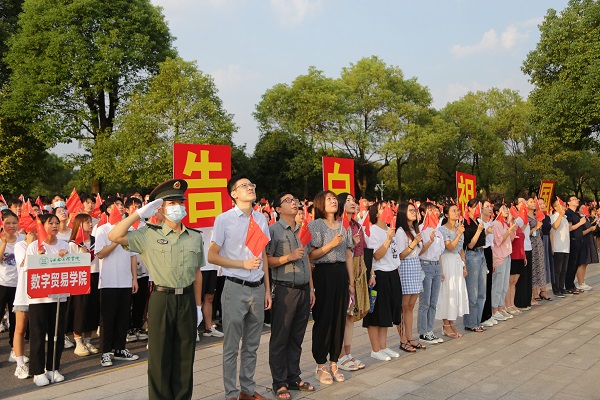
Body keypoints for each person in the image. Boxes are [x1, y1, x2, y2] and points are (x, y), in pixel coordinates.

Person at [109, 179, 205, 400]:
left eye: (180, 202)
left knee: (184, 357)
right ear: (160, 209)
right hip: (162, 299)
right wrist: (138, 214)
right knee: (160, 358)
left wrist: (198, 306)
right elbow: (114, 236)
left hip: (188, 299)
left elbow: (198, 272)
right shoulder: (148, 234)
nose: (177, 207)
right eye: (171, 203)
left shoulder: (194, 236)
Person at [207, 175, 272, 400]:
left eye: (251, 185)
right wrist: (241, 264)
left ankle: (247, 389)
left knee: (252, 345)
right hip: (235, 287)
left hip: (257, 288)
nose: (250, 188)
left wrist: (267, 289)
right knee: (231, 346)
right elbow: (212, 256)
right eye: (244, 186)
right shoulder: (224, 219)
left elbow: (263, 253)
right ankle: (231, 393)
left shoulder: (261, 218)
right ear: (233, 194)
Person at [266, 193, 315, 399]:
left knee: (297, 337)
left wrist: (312, 288)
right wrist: (288, 257)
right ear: (277, 209)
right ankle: (279, 382)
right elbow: (266, 260)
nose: (294, 203)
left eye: (295, 200)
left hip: (304, 289)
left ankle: (293, 377)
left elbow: (308, 261)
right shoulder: (273, 231)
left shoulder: (303, 229)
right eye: (288, 201)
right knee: (280, 338)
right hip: (284, 290)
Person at [308, 190, 354, 385]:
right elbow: (310, 255)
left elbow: (349, 254)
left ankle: (334, 361)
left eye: (335, 199)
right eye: (329, 199)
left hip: (341, 274)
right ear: (320, 203)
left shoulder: (344, 226)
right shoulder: (315, 225)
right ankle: (321, 364)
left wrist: (351, 282)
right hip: (323, 274)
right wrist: (330, 245)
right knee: (324, 319)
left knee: (339, 319)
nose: (334, 201)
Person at [26, 213, 70, 386]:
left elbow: (73, 266)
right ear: (42, 226)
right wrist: (40, 257)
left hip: (59, 297)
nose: (54, 225)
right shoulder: (35, 246)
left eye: (56, 223)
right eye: (50, 223)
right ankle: (37, 371)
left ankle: (53, 368)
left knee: (57, 334)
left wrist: (66, 257)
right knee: (37, 335)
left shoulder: (64, 244)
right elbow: (28, 270)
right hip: (39, 299)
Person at [95, 198, 139, 367]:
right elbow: (100, 254)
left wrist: (134, 278)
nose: (120, 208)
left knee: (123, 317)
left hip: (125, 280)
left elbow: (133, 256)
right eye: (117, 205)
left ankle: (120, 348)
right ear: (108, 209)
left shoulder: (129, 230)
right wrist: (116, 240)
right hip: (108, 282)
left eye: (122, 205)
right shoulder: (102, 230)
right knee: (107, 318)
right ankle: (105, 352)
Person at [363, 202, 402, 360]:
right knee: (376, 313)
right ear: (376, 213)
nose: (387, 211)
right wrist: (387, 239)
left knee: (387, 312)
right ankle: (375, 348)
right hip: (379, 274)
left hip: (392, 273)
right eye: (382, 208)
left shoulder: (389, 229)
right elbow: (377, 256)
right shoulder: (372, 230)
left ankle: (384, 346)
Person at [337, 192, 369, 371]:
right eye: (347, 200)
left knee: (350, 316)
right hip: (345, 272)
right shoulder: (341, 226)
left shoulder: (356, 224)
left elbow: (362, 250)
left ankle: (348, 353)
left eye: (353, 200)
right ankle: (339, 355)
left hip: (358, 269)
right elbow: (345, 252)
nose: (352, 203)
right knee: (343, 315)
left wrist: (368, 272)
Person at [67, 213, 100, 357]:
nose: (90, 224)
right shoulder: (73, 244)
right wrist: (81, 255)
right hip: (80, 278)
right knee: (81, 309)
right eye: (87, 222)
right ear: (79, 225)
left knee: (93, 308)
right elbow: (70, 264)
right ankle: (78, 341)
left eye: (91, 222)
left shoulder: (96, 240)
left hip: (95, 276)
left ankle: (88, 339)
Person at [395, 202, 425, 351]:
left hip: (415, 266)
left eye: (415, 210)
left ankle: (410, 336)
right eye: (411, 210)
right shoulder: (401, 231)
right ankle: (402, 339)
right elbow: (400, 255)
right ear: (403, 213)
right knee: (404, 306)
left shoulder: (414, 229)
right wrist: (414, 243)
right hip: (406, 267)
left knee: (411, 306)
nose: (414, 212)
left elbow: (418, 251)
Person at [436, 203, 468, 338]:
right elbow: (449, 247)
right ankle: (446, 325)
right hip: (446, 261)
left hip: (456, 262)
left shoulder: (459, 228)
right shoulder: (442, 230)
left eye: (458, 210)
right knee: (447, 292)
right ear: (447, 214)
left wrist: (464, 265)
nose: (457, 212)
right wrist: (459, 233)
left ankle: (452, 322)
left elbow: (460, 248)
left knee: (456, 291)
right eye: (453, 211)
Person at [417, 202, 445, 344]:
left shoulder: (438, 230)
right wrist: (430, 241)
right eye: (429, 210)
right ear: (423, 213)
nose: (433, 212)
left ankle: (430, 329)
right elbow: (419, 251)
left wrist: (441, 269)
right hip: (425, 266)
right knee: (425, 302)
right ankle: (423, 332)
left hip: (436, 266)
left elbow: (439, 252)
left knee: (433, 302)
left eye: (434, 210)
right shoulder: (421, 229)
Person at [12, 228, 35, 379]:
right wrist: (30, 244)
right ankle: (20, 364)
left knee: (38, 330)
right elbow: (25, 264)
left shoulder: (46, 245)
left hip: (41, 296)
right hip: (24, 294)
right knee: (20, 328)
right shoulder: (20, 245)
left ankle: (38, 363)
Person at [462, 198, 487, 332]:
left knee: (482, 292)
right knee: (473, 292)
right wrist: (478, 231)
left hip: (481, 254)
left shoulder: (478, 221)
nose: (479, 209)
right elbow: (470, 244)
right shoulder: (466, 222)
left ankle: (478, 320)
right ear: (470, 208)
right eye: (477, 207)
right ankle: (471, 322)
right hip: (472, 256)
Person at [491, 203, 517, 320]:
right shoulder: (496, 224)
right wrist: (508, 231)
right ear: (497, 212)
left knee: (504, 284)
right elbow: (498, 241)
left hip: (507, 255)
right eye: (503, 209)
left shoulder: (504, 223)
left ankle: (501, 308)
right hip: (499, 257)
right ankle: (495, 309)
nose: (506, 210)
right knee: (498, 284)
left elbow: (511, 238)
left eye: (507, 208)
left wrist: (511, 225)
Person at [0, 211, 20, 362]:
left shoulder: (23, 239)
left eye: (14, 223)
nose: (11, 226)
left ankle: (14, 349)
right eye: (8, 223)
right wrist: (4, 243)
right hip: (2, 284)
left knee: (15, 319)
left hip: (18, 286)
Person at [565, 196, 586, 295]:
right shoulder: (568, 213)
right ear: (568, 203)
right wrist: (581, 223)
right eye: (573, 199)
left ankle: (572, 285)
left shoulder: (576, 214)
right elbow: (569, 228)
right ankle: (568, 285)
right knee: (571, 264)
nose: (576, 200)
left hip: (579, 241)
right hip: (572, 241)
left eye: (577, 199)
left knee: (576, 264)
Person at [551, 199, 569, 297]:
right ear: (555, 208)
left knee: (564, 270)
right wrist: (561, 215)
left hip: (566, 247)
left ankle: (562, 287)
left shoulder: (565, 218)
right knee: (557, 270)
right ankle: (556, 289)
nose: (562, 206)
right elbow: (555, 226)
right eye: (559, 205)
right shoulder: (554, 217)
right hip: (558, 247)